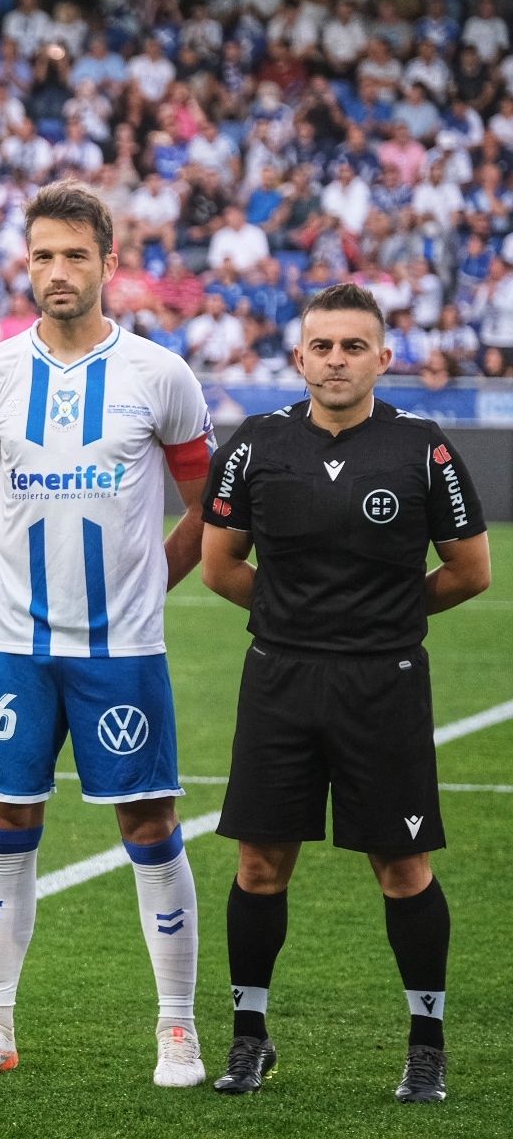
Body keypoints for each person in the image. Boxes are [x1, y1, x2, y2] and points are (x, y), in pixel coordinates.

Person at [0, 181, 215, 1088]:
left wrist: (151, 583)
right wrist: (13, 579)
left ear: (108, 263)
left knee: (149, 822)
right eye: (43, 255)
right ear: (27, 262)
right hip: (14, 646)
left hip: (122, 651)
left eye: (75, 255)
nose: (57, 272)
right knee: (5, 825)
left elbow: (210, 501)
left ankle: (178, 1029)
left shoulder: (160, 375)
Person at [201, 283, 491, 1103]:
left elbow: (470, 570)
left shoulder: (423, 447)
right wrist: (302, 621)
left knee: (402, 867)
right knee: (260, 864)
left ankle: (425, 1048)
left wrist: (382, 620)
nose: (336, 360)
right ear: (299, 357)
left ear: (382, 358)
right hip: (280, 679)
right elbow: (221, 566)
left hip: (384, 684)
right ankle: (250, 1039)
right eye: (322, 346)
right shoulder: (256, 443)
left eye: (353, 346)